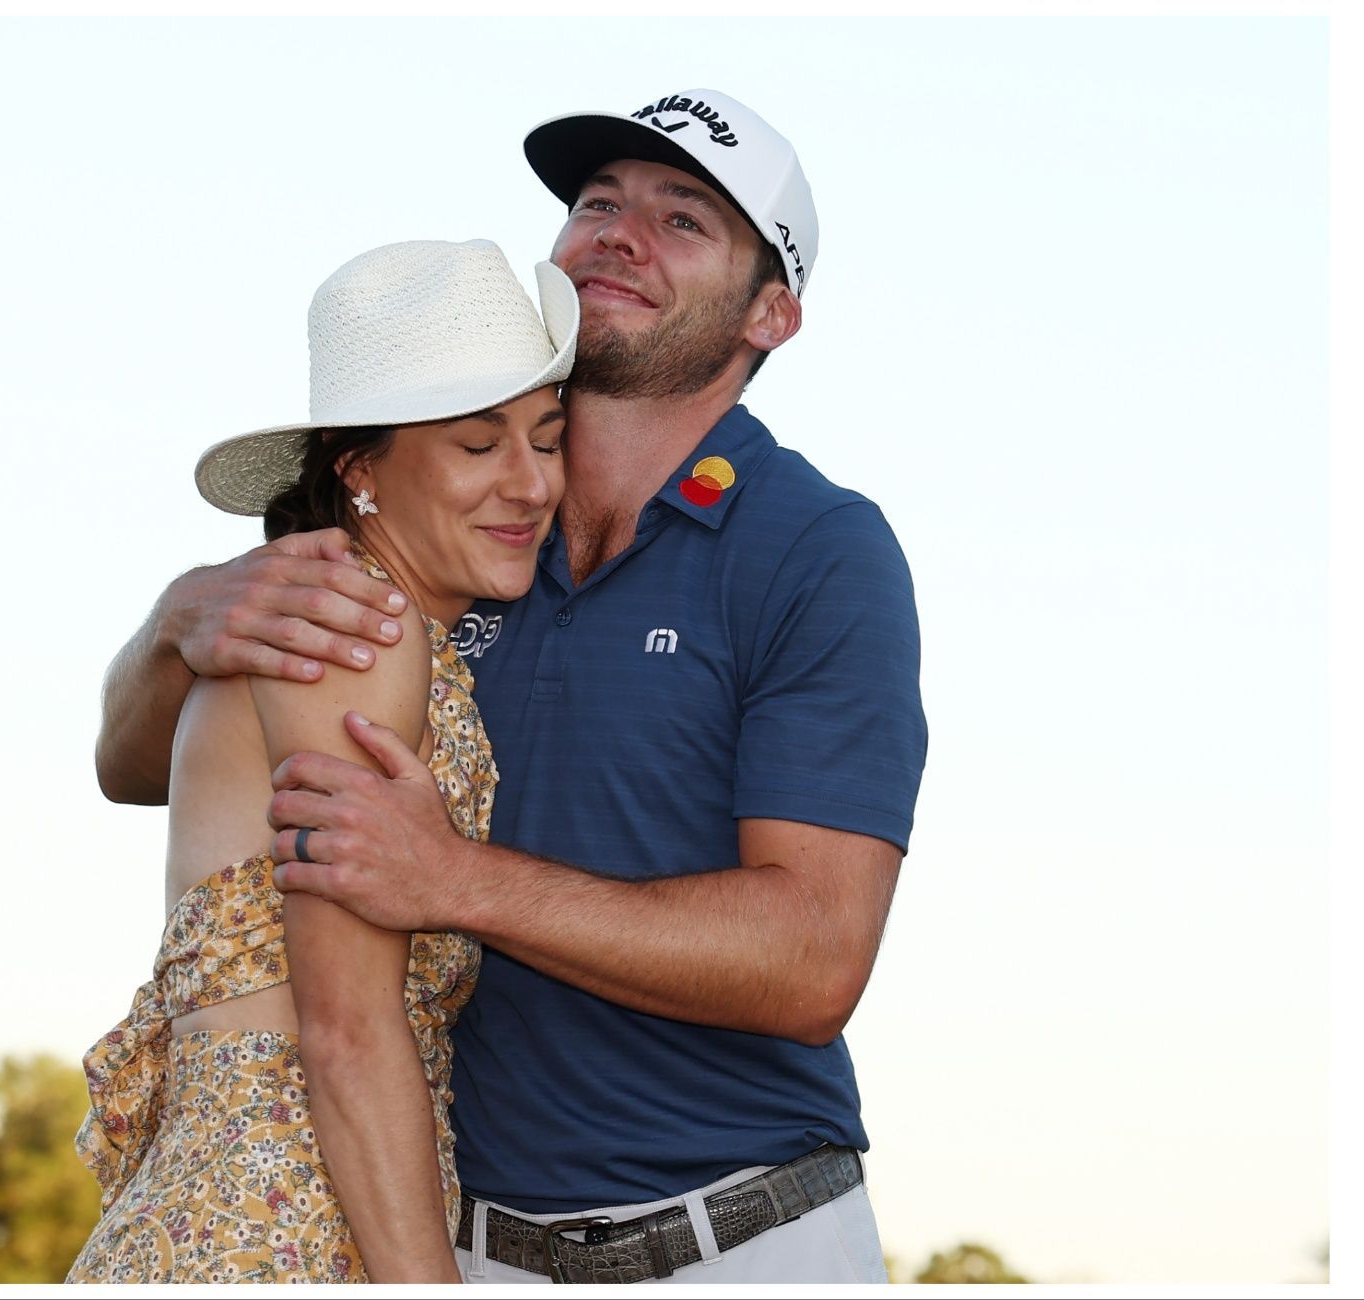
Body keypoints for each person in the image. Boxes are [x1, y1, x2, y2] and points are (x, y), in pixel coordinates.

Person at [93, 88, 927, 1285]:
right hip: (456, 1237)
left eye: (684, 219)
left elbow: (813, 960)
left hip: (741, 1239)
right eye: (599, 203)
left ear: (773, 313)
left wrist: (456, 879)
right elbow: (139, 768)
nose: (621, 234)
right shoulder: (449, 548)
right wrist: (178, 625)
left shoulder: (818, 549)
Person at [67, 239, 578, 1284]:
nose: (530, 483)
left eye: (547, 438)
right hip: (287, 1218)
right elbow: (345, 1028)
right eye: (479, 446)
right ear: (361, 470)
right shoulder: (358, 628)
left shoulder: (347, 617)